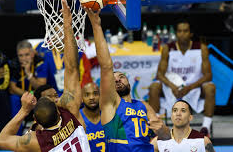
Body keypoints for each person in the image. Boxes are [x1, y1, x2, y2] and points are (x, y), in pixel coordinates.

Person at [0, 0, 90, 152]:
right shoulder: (71, 114)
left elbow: (2, 140)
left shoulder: (35, 142)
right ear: (60, 111)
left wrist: (24, 110)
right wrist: (68, 24)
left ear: (35, 122)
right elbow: (72, 69)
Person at [84, 8, 170, 152]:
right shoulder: (111, 103)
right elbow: (106, 66)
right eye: (114, 79)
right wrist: (96, 25)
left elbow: (166, 137)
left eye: (121, 77)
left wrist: (162, 130)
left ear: (129, 82)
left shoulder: (143, 105)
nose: (117, 80)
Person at [148, 19, 216, 137]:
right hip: (172, 88)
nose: (182, 34)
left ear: (191, 34)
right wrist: (173, 87)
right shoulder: (167, 48)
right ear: (176, 33)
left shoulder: (201, 48)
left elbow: (208, 75)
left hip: (194, 88)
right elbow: (160, 74)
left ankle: (205, 127)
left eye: (185, 31)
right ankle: (156, 126)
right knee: (154, 86)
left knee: (210, 87)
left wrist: (189, 87)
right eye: (179, 31)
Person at [9, 40, 47, 135]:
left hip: (38, 95)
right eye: (20, 56)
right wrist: (29, 95)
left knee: (43, 99)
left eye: (27, 54)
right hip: (23, 95)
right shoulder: (14, 64)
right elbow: (12, 88)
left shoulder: (40, 62)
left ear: (32, 54)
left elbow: (41, 86)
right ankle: (16, 136)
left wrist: (28, 74)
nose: (23, 58)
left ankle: (41, 135)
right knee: (13, 99)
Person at [151, 100, 215, 152]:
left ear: (190, 117)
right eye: (175, 110)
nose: (178, 114)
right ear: (171, 117)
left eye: (183, 110)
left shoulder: (203, 141)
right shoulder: (157, 142)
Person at [80, 82, 105, 152]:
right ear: (81, 98)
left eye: (95, 94)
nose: (92, 98)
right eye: (87, 95)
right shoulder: (77, 118)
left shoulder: (109, 115)